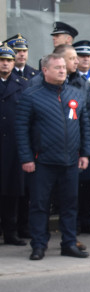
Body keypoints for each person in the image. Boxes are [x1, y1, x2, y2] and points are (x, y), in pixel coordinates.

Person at [15, 51, 90, 260]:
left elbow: (85, 125)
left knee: (70, 205)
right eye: (57, 68)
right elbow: (21, 129)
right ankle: (39, 245)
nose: (62, 71)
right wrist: (26, 158)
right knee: (40, 205)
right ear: (45, 70)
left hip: (70, 162)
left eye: (63, 68)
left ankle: (69, 243)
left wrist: (85, 153)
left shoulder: (75, 94)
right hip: (42, 163)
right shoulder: (31, 95)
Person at [0, 44, 29, 245]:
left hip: (13, 147)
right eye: (2, 60)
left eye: (9, 60)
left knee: (12, 192)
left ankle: (11, 233)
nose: (6, 63)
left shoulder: (22, 84)